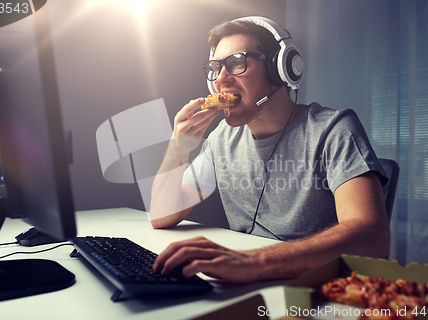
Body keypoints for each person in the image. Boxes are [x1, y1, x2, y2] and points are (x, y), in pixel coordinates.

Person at [149, 17, 390, 283]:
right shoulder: (222, 139)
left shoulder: (333, 129)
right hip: (245, 283)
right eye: (215, 68)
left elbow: (373, 238)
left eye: (237, 62)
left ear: (281, 67)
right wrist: (177, 145)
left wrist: (253, 262)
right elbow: (162, 216)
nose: (220, 80)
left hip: (312, 289)